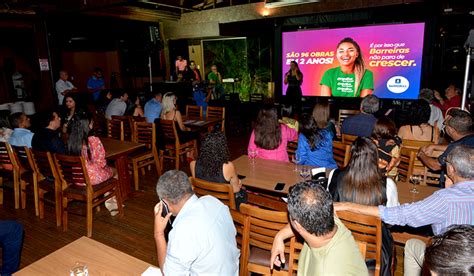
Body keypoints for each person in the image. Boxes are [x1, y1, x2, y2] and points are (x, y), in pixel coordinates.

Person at [335, 145, 474, 275]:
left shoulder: (445, 199)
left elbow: (400, 215)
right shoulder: (387, 185)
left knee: (411, 244)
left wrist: (348, 206)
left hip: (450, 264)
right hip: (467, 258)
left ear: (451, 170)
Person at [153, 170, 239, 275]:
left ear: (165, 203)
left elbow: (168, 274)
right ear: (190, 188)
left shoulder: (182, 231)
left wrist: (159, 234)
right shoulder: (213, 201)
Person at [270, 182, 368, 275]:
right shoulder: (331, 220)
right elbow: (299, 224)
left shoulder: (326, 271)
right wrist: (279, 236)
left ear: (298, 225)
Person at [328, 137, 399, 207]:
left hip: (339, 218)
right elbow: (393, 215)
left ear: (351, 155)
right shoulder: (388, 185)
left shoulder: (334, 175)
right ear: (375, 157)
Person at [190, 132, 247, 210]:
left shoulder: (193, 164)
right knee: (243, 192)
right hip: (223, 205)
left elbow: (198, 186)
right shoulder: (227, 167)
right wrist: (239, 184)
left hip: (205, 203)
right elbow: (236, 189)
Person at [417, 108, 473, 186]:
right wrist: (434, 146)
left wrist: (421, 153)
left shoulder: (455, 147)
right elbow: (463, 145)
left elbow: (435, 165)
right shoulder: (468, 140)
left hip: (454, 189)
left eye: (445, 124)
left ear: (451, 130)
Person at [67, 118, 113, 186]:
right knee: (114, 171)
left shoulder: (71, 142)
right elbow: (101, 163)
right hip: (91, 178)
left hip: (77, 178)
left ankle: (105, 193)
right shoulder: (93, 140)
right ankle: (109, 195)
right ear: (88, 125)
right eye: (91, 122)